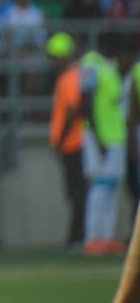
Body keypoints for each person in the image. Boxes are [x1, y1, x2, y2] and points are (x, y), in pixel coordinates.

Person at [81, 33, 129, 256]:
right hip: (98, 136)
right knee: (99, 187)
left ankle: (107, 237)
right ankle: (93, 237)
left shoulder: (109, 67)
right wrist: (97, 135)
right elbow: (86, 101)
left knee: (111, 186)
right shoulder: (92, 64)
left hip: (114, 135)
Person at [47, 31, 85, 251]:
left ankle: (78, 236)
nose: (52, 61)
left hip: (73, 144)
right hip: (73, 143)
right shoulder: (72, 75)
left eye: (54, 56)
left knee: (76, 191)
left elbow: (72, 110)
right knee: (76, 191)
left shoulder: (68, 77)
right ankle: (77, 235)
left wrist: (60, 140)